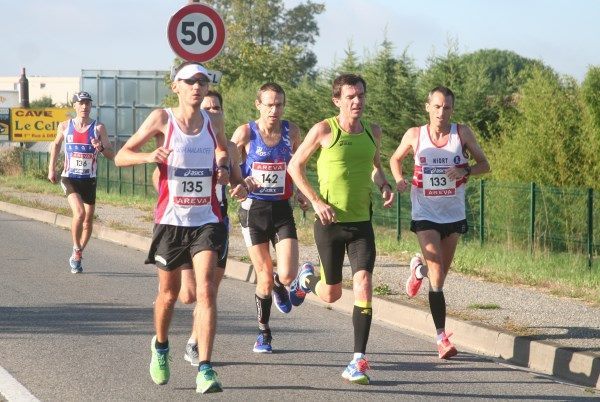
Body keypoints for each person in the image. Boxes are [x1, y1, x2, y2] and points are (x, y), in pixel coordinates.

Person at [115, 62, 242, 394]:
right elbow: (121, 156)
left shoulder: (214, 120)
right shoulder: (162, 119)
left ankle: (205, 368)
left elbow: (221, 151)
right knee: (170, 295)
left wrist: (224, 168)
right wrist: (150, 157)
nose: (197, 86)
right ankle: (160, 346)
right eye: (190, 81)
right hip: (171, 221)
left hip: (207, 219)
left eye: (202, 81)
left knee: (206, 291)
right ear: (176, 87)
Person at [287, 73, 394, 384]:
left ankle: (358, 360)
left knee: (363, 284)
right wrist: (316, 201)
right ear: (337, 100)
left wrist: (384, 184)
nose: (357, 101)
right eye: (350, 96)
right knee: (332, 294)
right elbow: (295, 166)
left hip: (361, 224)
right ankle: (307, 282)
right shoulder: (324, 130)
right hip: (329, 223)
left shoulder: (373, 132)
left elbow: (375, 166)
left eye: (360, 95)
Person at [389, 86, 490, 359]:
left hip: (453, 214)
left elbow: (485, 164)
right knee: (437, 272)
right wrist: (399, 179)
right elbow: (395, 159)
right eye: (436, 106)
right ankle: (441, 338)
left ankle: (417, 271)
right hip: (424, 213)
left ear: (452, 110)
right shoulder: (415, 135)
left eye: (446, 108)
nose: (441, 112)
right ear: (427, 107)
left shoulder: (462, 133)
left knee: (439, 274)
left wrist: (464, 168)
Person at [151, 90, 250, 367]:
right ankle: (160, 344)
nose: (212, 112)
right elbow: (157, 180)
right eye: (207, 107)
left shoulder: (228, 148)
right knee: (187, 295)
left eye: (216, 108)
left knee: (208, 292)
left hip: (214, 223)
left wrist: (240, 185)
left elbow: (237, 183)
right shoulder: (183, 138)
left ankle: (197, 345)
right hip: (180, 222)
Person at [230, 82, 309, 353]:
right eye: (269, 104)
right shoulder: (245, 133)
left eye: (279, 104)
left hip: (281, 209)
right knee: (263, 276)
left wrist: (300, 192)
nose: (274, 110)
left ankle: (281, 284)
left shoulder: (292, 131)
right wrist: (238, 184)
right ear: (258, 105)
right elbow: (229, 164)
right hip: (254, 210)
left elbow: (298, 164)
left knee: (286, 275)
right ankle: (264, 332)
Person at [48, 91, 115, 274]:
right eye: (81, 103)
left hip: (89, 179)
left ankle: (77, 253)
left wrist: (99, 147)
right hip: (70, 177)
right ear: (75, 106)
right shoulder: (65, 126)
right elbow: (55, 145)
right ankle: (76, 247)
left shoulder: (98, 128)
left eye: (88, 103)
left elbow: (111, 154)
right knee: (79, 213)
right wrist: (51, 169)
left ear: (91, 106)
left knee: (87, 222)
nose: (85, 106)